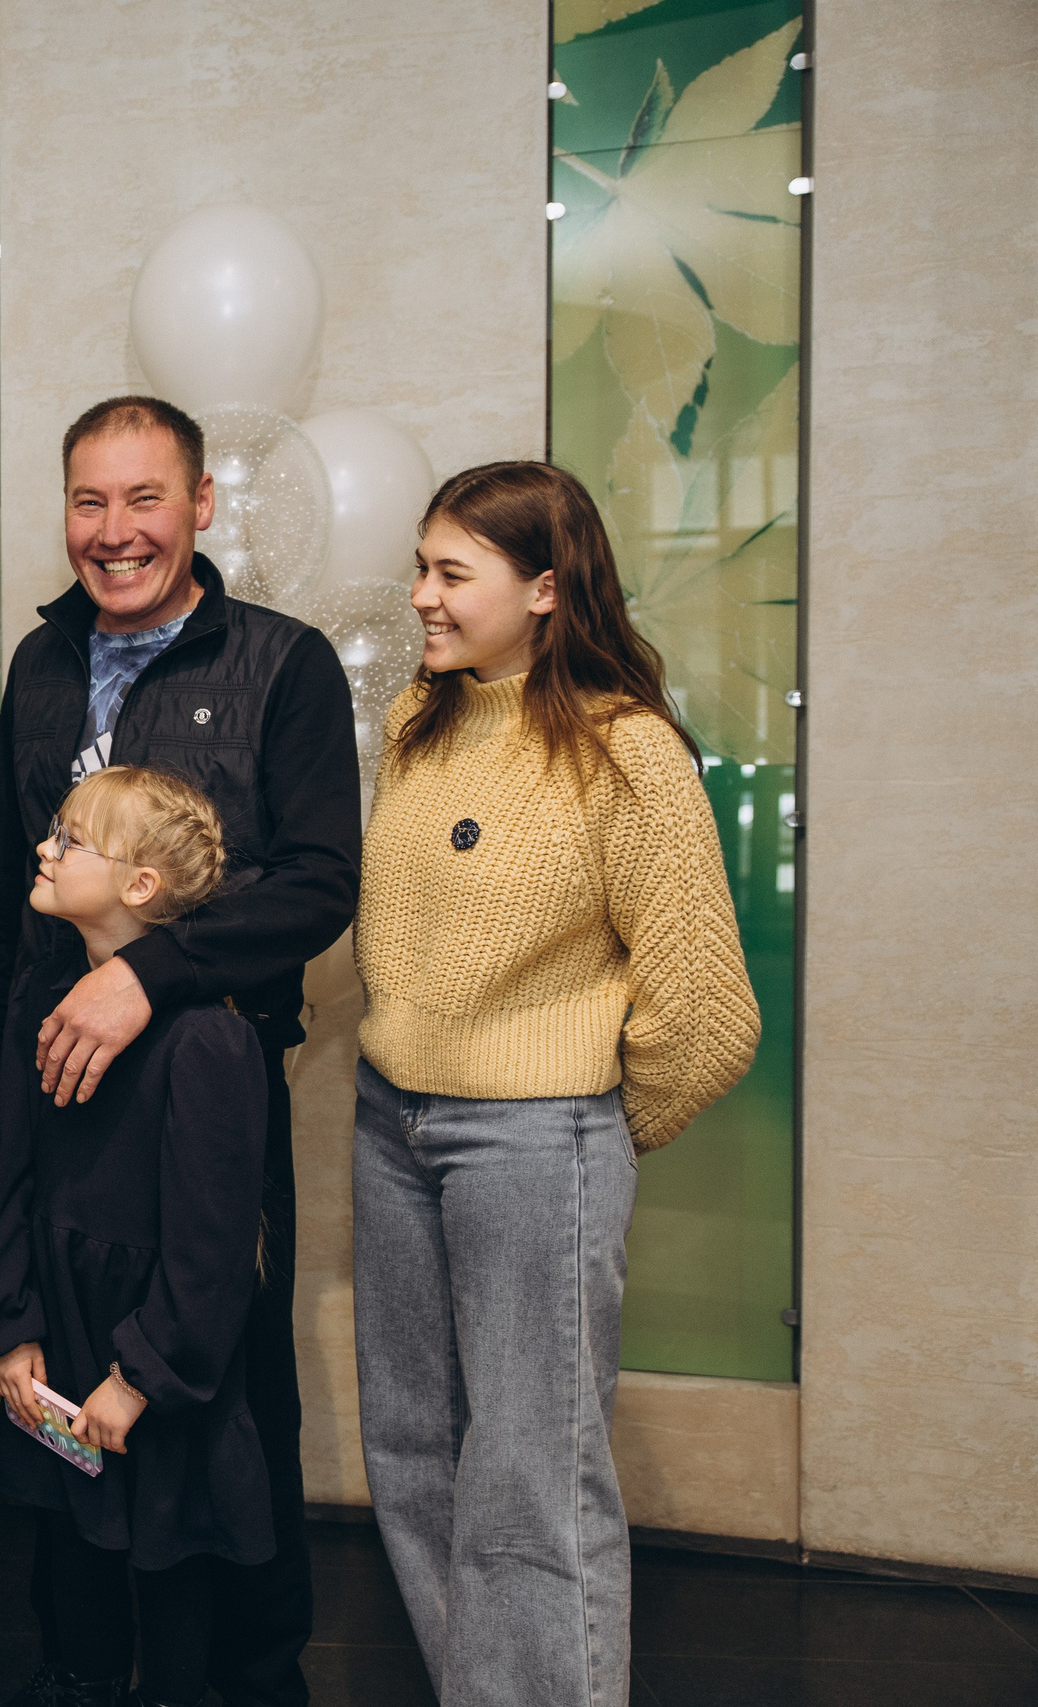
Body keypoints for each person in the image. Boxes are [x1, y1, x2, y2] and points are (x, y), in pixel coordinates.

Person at [352, 461, 759, 1706]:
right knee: (413, 1453)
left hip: (532, 1142)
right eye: (418, 567)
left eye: (449, 573)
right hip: (389, 1123)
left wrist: (579, 1137)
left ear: (543, 588)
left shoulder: (626, 752)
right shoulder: (420, 724)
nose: (419, 596)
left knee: (531, 1472)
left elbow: (706, 1017)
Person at [0, 395, 360, 1705]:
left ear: (200, 504)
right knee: (69, 1374)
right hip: (55, 1079)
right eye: (89, 500)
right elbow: (11, 879)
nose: (115, 530)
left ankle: (245, 1673)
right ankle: (81, 1658)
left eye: (145, 498)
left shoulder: (284, 662)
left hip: (206, 1080)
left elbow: (318, 883)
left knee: (219, 1380)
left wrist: (146, 976)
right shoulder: (40, 665)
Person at [0, 765, 273, 1707]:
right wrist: (15, 1324)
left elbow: (212, 1249)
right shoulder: (42, 995)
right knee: (74, 1530)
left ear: (141, 884)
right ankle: (83, 1676)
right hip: (62, 1323)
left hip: (156, 1349)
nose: (44, 848)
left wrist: (143, 1373)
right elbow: (13, 1178)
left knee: (168, 1545)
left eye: (70, 840)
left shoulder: (209, 1041)